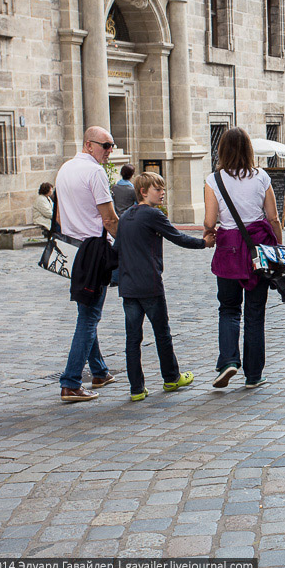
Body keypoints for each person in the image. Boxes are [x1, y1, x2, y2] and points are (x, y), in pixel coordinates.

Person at [115, 172, 214, 401]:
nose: (162, 193)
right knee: (162, 334)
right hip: (149, 285)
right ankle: (171, 378)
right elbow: (177, 237)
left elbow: (117, 249)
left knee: (132, 339)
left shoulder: (125, 216)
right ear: (143, 191)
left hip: (128, 286)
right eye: (157, 189)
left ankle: (136, 389)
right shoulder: (153, 214)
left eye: (162, 188)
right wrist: (204, 243)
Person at [204, 127, 283, 389]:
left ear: (221, 150)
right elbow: (273, 217)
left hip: (228, 248)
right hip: (258, 248)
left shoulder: (213, 180)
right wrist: (279, 246)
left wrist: (210, 230)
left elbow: (208, 220)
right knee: (255, 312)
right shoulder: (262, 177)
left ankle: (228, 360)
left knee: (228, 308)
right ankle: (254, 374)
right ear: (249, 150)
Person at [55, 126, 119, 402]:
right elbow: (109, 218)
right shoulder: (94, 172)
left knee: (87, 311)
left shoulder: (65, 169)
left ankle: (100, 371)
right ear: (89, 144)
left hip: (73, 248)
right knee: (89, 316)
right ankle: (70, 382)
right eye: (106, 145)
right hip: (94, 250)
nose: (110, 151)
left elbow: (58, 215)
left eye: (112, 145)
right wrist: (127, 243)